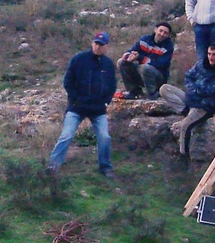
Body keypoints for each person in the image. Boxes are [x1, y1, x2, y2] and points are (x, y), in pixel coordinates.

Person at [47, 32, 117, 178]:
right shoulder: (79, 59)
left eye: (101, 45)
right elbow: (68, 82)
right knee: (66, 135)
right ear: (92, 43)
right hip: (77, 107)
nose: (98, 47)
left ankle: (106, 167)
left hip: (98, 109)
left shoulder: (108, 64)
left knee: (105, 137)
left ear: (106, 47)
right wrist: (76, 99)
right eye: (96, 43)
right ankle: (53, 167)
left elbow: (112, 85)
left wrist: (106, 101)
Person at [160, 45, 215, 155]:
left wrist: (209, 103)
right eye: (209, 54)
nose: (211, 57)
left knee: (185, 126)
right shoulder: (200, 65)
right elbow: (189, 77)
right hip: (192, 99)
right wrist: (192, 90)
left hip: (204, 106)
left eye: (214, 54)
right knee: (165, 89)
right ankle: (186, 112)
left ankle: (184, 155)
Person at [117, 22, 174, 99]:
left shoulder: (168, 47)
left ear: (168, 35)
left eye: (165, 33)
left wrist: (139, 58)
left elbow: (159, 64)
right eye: (160, 31)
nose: (162, 34)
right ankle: (134, 91)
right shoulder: (144, 40)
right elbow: (130, 51)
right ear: (155, 30)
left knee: (145, 67)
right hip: (143, 74)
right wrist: (129, 57)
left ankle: (152, 93)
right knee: (121, 62)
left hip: (158, 78)